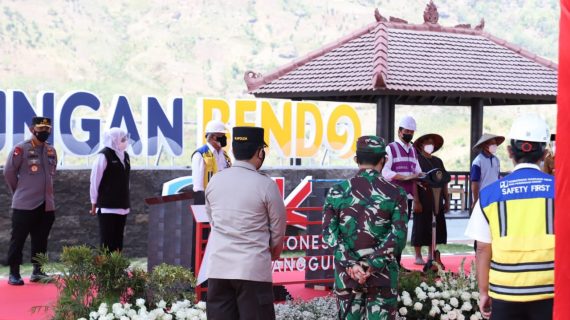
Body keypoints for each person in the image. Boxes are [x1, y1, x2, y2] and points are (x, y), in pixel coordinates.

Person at [465, 114, 554, 320]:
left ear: (509, 151)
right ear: (545, 153)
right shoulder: (560, 190)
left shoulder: (489, 195)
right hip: (551, 288)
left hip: (505, 291)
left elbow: (482, 248)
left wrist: (484, 292)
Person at [205, 126, 286, 320]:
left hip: (219, 269)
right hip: (252, 270)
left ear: (233, 150)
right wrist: (273, 252)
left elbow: (213, 221)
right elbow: (278, 227)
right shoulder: (265, 184)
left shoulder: (215, 181)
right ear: (260, 152)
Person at [323, 135, 408, 320]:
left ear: (356, 160)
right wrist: (371, 264)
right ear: (383, 160)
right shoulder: (397, 193)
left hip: (348, 278)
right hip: (382, 278)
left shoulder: (337, 191)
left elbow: (329, 234)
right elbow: (399, 236)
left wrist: (352, 265)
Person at [4, 116, 57, 286]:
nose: (44, 132)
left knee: (41, 239)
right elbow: (9, 172)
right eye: (41, 129)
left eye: (47, 129)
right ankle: (14, 273)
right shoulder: (21, 149)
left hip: (46, 204)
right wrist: (19, 191)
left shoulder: (51, 150)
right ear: (32, 129)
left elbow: (51, 174)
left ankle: (38, 271)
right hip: (24, 205)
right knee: (18, 239)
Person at [382, 115, 423, 265]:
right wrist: (403, 177)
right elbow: (385, 172)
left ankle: (397, 264)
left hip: (409, 197)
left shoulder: (413, 150)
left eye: (412, 132)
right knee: (393, 229)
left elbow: (417, 170)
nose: (409, 134)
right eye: (407, 131)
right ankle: (391, 263)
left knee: (403, 230)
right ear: (399, 132)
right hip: (394, 197)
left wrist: (424, 175)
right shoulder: (390, 148)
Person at [89, 127, 131, 252]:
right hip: (107, 206)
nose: (125, 141)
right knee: (107, 241)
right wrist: (93, 202)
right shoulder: (104, 156)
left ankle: (117, 269)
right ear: (114, 140)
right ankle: (106, 269)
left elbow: (126, 180)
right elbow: (94, 180)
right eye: (122, 139)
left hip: (122, 206)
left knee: (118, 240)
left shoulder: (126, 156)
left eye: (125, 139)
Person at [412, 134, 449, 265]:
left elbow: (444, 181)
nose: (430, 145)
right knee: (420, 224)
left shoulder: (438, 161)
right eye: (427, 142)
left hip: (437, 196)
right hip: (422, 197)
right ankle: (417, 255)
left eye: (432, 143)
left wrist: (447, 199)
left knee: (435, 225)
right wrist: (416, 201)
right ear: (421, 145)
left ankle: (431, 254)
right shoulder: (416, 160)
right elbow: (414, 181)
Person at [191, 120, 232, 205]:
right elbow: (198, 187)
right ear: (214, 137)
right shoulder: (200, 155)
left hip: (223, 200)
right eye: (222, 135)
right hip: (208, 201)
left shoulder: (224, 155)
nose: (225, 138)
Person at [470, 133, 504, 207]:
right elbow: (475, 182)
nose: (495, 146)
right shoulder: (478, 161)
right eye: (492, 144)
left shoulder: (496, 160)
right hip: (483, 195)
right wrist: (475, 200)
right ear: (485, 146)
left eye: (495, 144)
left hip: (495, 195)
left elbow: (497, 177)